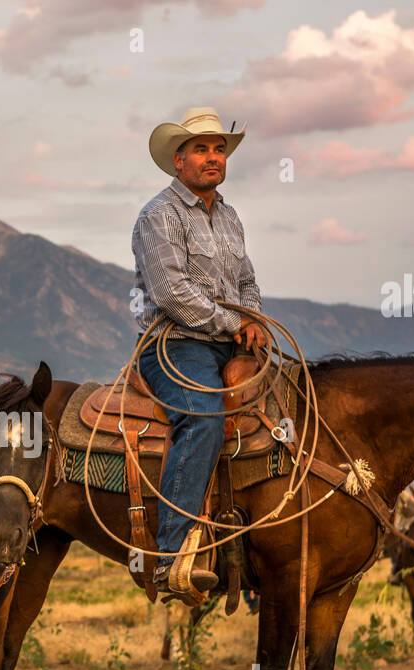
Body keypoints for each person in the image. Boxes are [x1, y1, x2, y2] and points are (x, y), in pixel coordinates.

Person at [131, 106, 269, 599]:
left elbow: (247, 281)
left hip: (228, 343)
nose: (213, 157)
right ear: (178, 160)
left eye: (219, 149)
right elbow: (172, 293)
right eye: (201, 149)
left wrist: (251, 320)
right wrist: (236, 322)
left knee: (288, 403)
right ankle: (171, 556)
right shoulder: (158, 216)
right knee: (204, 415)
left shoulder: (229, 217)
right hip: (175, 345)